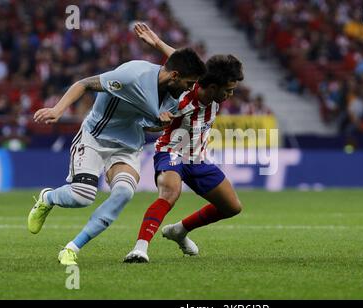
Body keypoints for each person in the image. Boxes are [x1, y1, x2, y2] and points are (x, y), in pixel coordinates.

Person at [28, 45, 206, 266]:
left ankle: (71, 248)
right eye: (189, 84)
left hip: (128, 146)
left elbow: (147, 124)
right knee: (82, 196)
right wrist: (57, 110)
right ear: (175, 76)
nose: (190, 89)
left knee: (123, 192)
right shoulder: (131, 76)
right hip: (95, 137)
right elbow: (83, 84)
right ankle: (48, 198)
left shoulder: (174, 97)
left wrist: (161, 124)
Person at [123, 23, 243, 263]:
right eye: (228, 90)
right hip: (170, 152)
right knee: (170, 193)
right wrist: (160, 121)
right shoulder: (182, 96)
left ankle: (179, 230)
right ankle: (140, 247)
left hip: (198, 158)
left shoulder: (211, 88)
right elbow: (149, 126)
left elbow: (179, 57)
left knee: (232, 207)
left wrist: (157, 42)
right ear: (212, 87)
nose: (230, 95)